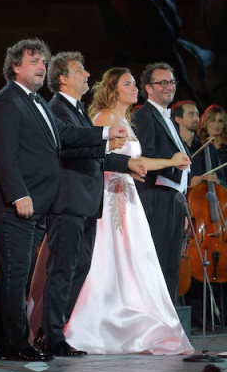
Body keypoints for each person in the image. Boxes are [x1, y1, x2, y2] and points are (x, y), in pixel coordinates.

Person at [0, 38, 127, 362]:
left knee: (14, 274)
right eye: (34, 61)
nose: (42, 67)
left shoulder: (36, 102)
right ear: (16, 66)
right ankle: (18, 345)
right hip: (11, 202)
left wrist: (105, 134)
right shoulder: (7, 101)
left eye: (44, 62)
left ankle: (1, 344)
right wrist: (19, 194)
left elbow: (66, 135)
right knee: (17, 274)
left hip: (34, 203)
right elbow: (3, 154)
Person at [60, 67, 192, 354]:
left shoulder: (126, 120)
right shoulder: (104, 117)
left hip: (129, 194)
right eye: (128, 84)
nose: (135, 88)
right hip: (109, 194)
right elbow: (100, 159)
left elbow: (137, 160)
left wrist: (170, 160)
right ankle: (98, 323)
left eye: (134, 83)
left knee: (135, 260)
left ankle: (134, 319)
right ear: (113, 88)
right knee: (107, 258)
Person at [29, 53, 146, 357]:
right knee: (63, 269)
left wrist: (127, 164)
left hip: (87, 203)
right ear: (63, 78)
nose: (87, 74)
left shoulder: (78, 110)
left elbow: (95, 154)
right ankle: (51, 335)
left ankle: (55, 329)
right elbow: (68, 143)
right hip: (68, 202)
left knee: (79, 267)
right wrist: (104, 136)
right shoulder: (55, 109)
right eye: (80, 70)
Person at [133, 63, 191, 303]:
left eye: (172, 82)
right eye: (163, 83)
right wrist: (171, 161)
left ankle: (168, 324)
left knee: (169, 263)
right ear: (148, 88)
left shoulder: (166, 118)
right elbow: (143, 155)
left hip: (172, 198)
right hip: (156, 196)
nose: (169, 87)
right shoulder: (144, 115)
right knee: (156, 262)